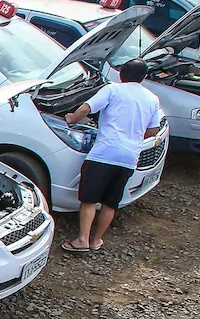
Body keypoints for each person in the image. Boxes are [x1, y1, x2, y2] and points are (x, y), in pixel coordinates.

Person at [60, 58, 163, 253]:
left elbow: (86, 109)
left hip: (104, 154)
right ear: (143, 77)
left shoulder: (112, 89)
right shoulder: (152, 99)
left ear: (121, 73)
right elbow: (153, 130)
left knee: (89, 199)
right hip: (129, 158)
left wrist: (71, 119)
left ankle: (82, 240)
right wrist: (133, 135)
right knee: (110, 202)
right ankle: (97, 240)